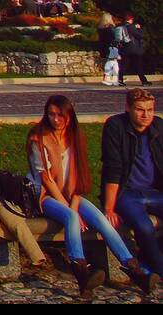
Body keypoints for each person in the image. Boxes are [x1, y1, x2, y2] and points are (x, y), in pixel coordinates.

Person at [27, 94, 155, 297]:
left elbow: (79, 176)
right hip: (46, 196)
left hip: (71, 192)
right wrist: (71, 209)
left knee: (103, 222)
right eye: (51, 114)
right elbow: (46, 179)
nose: (56, 119)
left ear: (69, 116)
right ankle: (81, 270)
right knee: (71, 217)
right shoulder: (38, 137)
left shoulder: (75, 137)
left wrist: (75, 202)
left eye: (61, 115)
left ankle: (134, 268)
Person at [102, 88, 163, 290]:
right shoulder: (115, 126)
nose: (146, 115)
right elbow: (113, 167)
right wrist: (109, 208)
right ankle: (159, 269)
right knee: (144, 226)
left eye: (150, 109)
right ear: (128, 108)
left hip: (153, 191)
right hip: (125, 192)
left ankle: (148, 262)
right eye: (139, 110)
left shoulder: (159, 127)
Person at [119, 13, 150, 86]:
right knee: (138, 65)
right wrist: (139, 29)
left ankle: (120, 80)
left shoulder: (121, 27)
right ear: (131, 19)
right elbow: (140, 36)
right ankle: (144, 81)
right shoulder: (131, 27)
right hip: (134, 49)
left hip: (125, 49)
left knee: (124, 66)